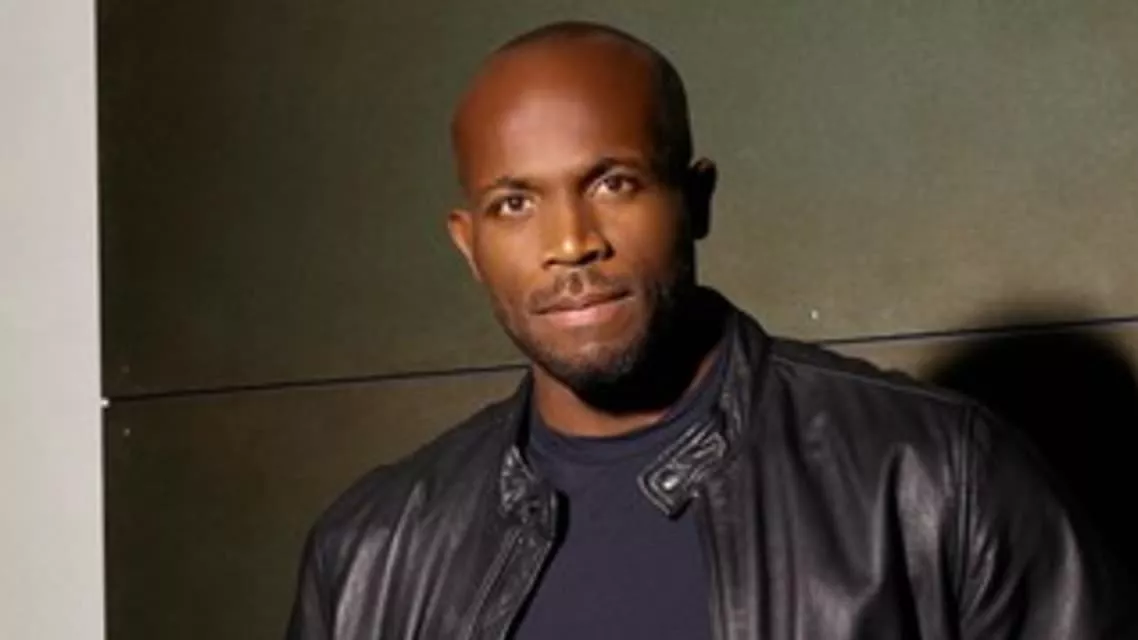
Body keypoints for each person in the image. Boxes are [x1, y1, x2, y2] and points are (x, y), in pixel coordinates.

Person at [286, 20, 1136, 640]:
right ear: (469, 245)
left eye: (613, 183)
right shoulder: (369, 554)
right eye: (515, 204)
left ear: (694, 201)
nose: (570, 242)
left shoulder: (936, 478)